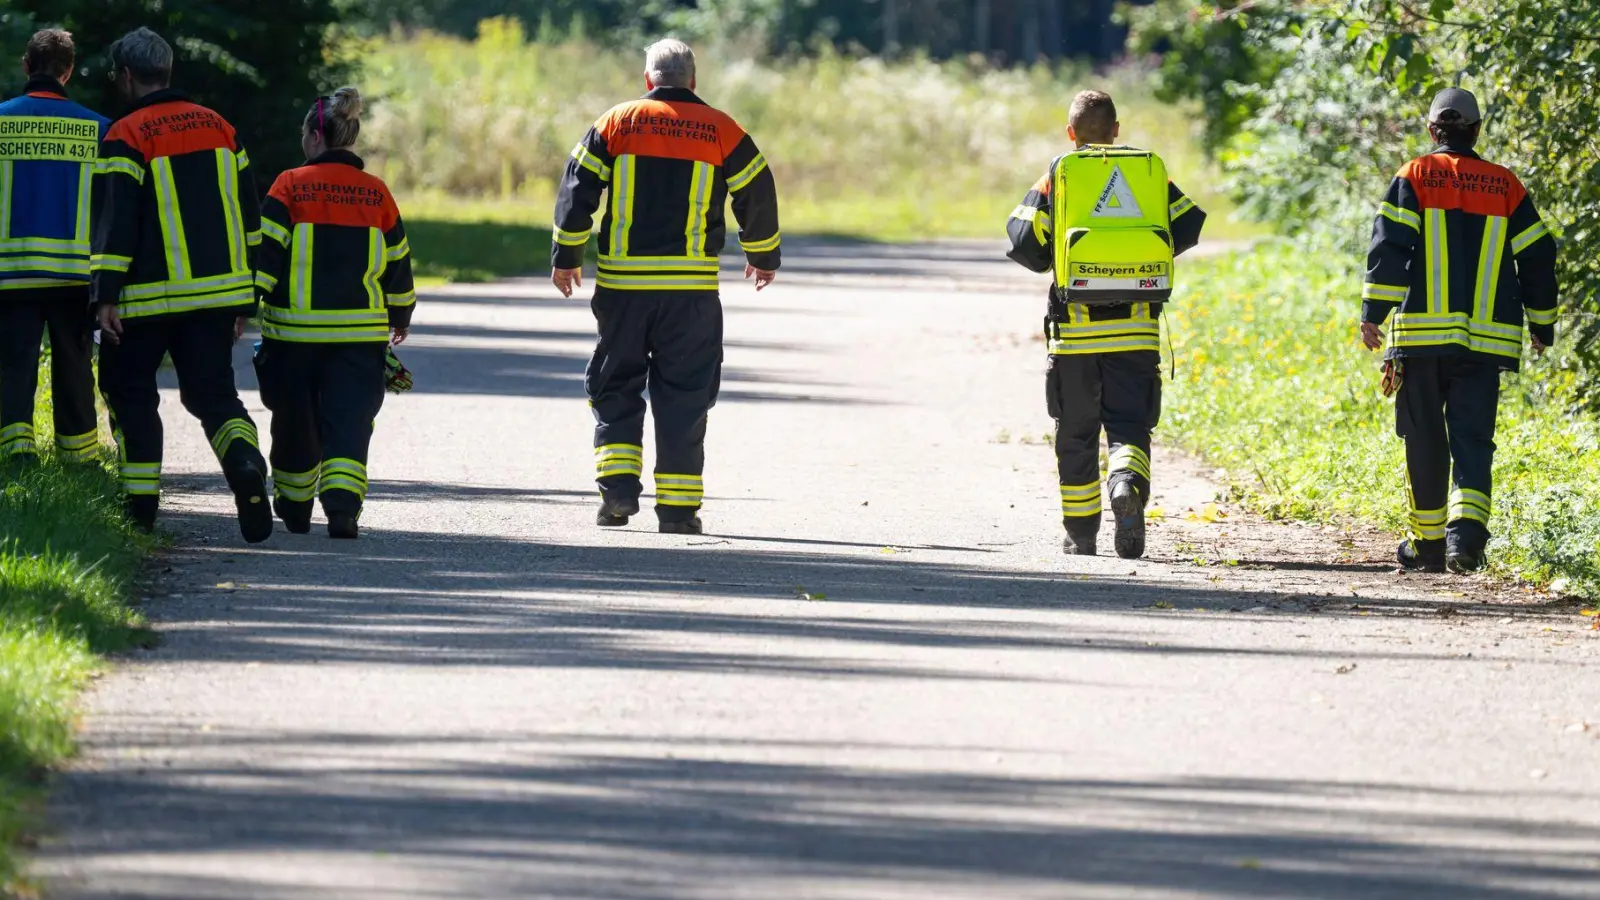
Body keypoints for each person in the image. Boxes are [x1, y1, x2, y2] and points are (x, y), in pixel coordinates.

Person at [550, 38, 781, 536]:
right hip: (690, 293)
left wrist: (567, 257)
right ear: (693, 81)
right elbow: (756, 190)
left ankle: (616, 493)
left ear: (648, 80)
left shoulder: (616, 122)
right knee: (685, 394)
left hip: (623, 288)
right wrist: (762, 255)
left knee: (616, 384)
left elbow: (576, 190)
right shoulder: (722, 128)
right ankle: (677, 511)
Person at [1361, 87, 1559, 574]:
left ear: (1432, 130)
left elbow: (1390, 247)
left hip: (1422, 341)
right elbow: (1537, 255)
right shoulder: (1506, 184)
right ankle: (1464, 544)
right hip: (1485, 344)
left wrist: (1374, 311)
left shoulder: (1414, 176)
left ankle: (1428, 546)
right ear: (1476, 131)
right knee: (1473, 440)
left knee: (1425, 438)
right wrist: (1542, 322)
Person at [1005, 90, 1207, 559]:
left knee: (1075, 432)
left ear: (1070, 133)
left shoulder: (1060, 174)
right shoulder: (1148, 173)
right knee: (1130, 426)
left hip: (1074, 334)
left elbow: (1021, 239)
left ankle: (1081, 534)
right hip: (1136, 331)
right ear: (1117, 131)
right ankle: (1125, 483)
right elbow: (1190, 223)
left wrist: (1060, 259)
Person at [90, 27, 271, 541]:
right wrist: (244, 297)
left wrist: (105, 294)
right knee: (216, 397)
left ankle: (141, 508)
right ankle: (244, 462)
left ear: (127, 76)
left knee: (129, 392)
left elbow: (116, 220)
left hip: (143, 300)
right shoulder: (221, 128)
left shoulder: (126, 133)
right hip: (217, 297)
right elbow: (249, 217)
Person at [253, 87, 416, 540]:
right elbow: (397, 262)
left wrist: (244, 307)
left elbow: (267, 256)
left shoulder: (288, 185)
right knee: (349, 421)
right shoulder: (376, 193)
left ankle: (295, 503)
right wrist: (400, 315)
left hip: (294, 337)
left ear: (312, 136)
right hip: (358, 338)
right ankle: (343, 507)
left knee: (294, 419)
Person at [0, 29, 107, 465]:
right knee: (75, 367)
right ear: (69, 71)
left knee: (13, 365)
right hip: (75, 274)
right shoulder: (99, 128)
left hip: (10, 271)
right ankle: (79, 457)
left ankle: (15, 453)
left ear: (27, 66)